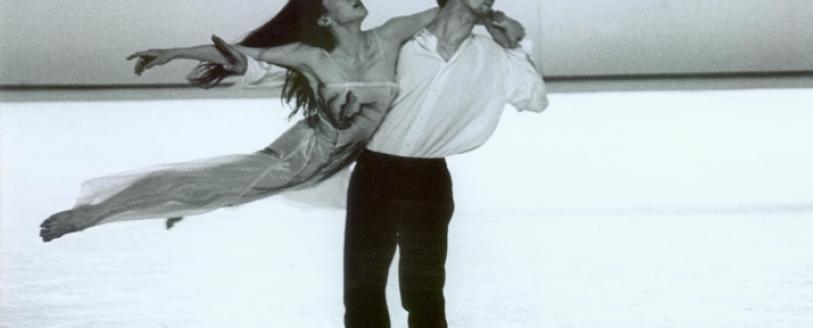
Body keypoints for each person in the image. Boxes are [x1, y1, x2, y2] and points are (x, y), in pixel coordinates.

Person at [38, 0, 518, 241]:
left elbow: (454, 9)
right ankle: (90, 214)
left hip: (343, 159)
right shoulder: (311, 56)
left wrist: (500, 22)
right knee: (197, 184)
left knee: (214, 191)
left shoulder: (390, 35)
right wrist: (176, 52)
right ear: (324, 18)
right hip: (302, 155)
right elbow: (242, 52)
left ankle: (197, 202)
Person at [312, 0, 549, 328]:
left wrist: (517, 47)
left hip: (428, 182)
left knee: (424, 300)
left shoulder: (492, 53)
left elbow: (535, 99)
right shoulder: (400, 42)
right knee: (362, 297)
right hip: (375, 176)